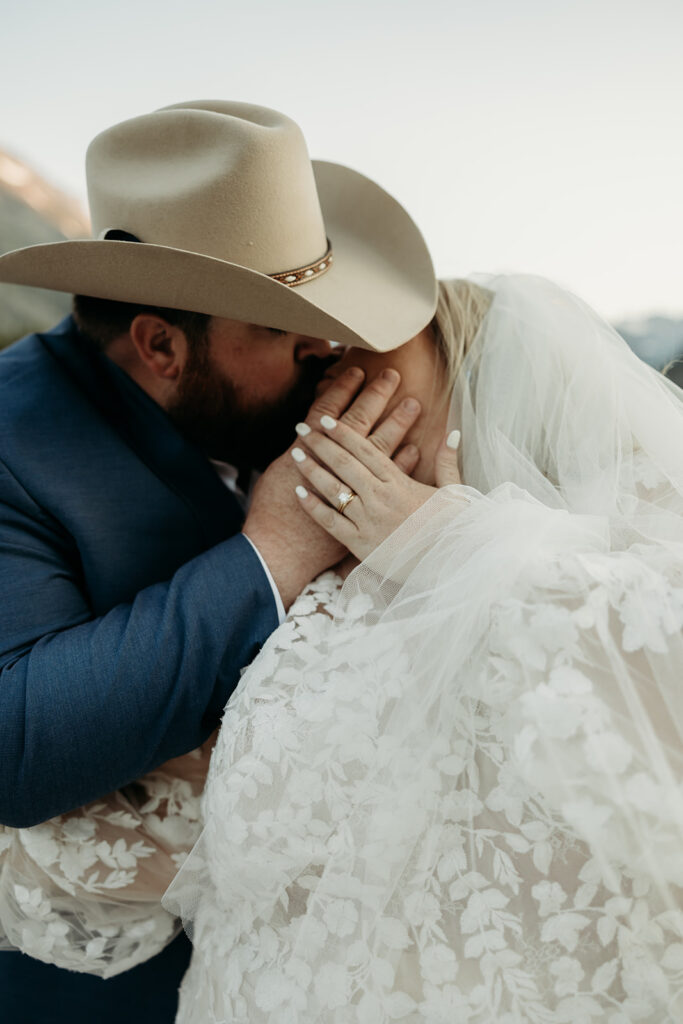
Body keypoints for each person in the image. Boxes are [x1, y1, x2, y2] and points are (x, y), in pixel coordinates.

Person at [0, 99, 438, 1023]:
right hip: (96, 984)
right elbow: (19, 746)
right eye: (284, 330)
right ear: (160, 344)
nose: (326, 347)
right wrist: (273, 548)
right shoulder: (10, 442)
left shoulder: (279, 397)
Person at [158, 274, 682, 1022]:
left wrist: (448, 544)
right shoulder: (326, 594)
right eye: (323, 351)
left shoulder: (631, 523)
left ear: (467, 366)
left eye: (364, 344)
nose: (333, 370)